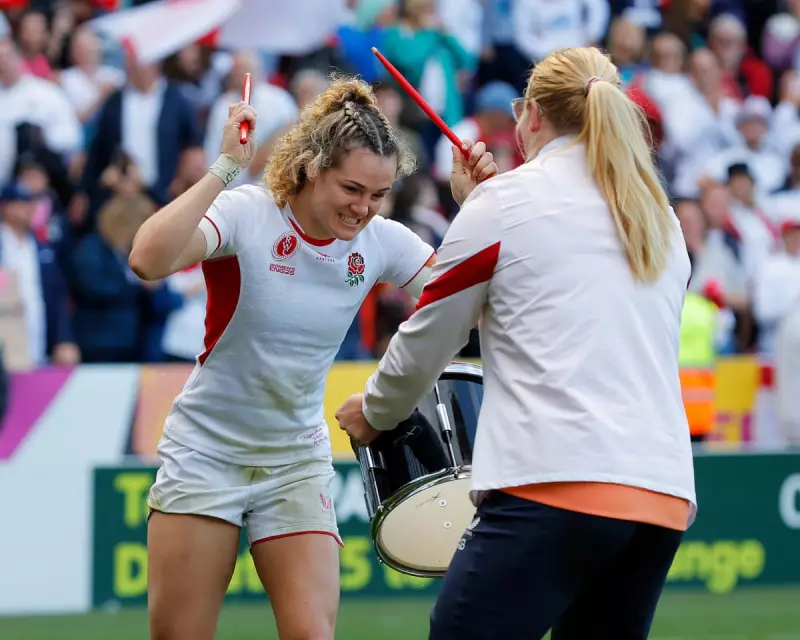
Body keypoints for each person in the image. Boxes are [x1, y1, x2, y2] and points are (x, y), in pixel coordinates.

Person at [337, 46, 696, 640]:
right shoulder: (658, 214)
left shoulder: (506, 204)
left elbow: (429, 331)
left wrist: (376, 410)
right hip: (658, 493)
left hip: (556, 477)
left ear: (530, 114)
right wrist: (481, 209)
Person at [128, 73, 496, 640]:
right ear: (310, 166)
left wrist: (476, 211)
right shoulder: (247, 213)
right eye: (351, 190)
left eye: (378, 195)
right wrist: (225, 167)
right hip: (206, 450)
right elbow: (148, 260)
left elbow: (471, 308)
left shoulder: (382, 240)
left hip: (295, 460)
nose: (364, 209)